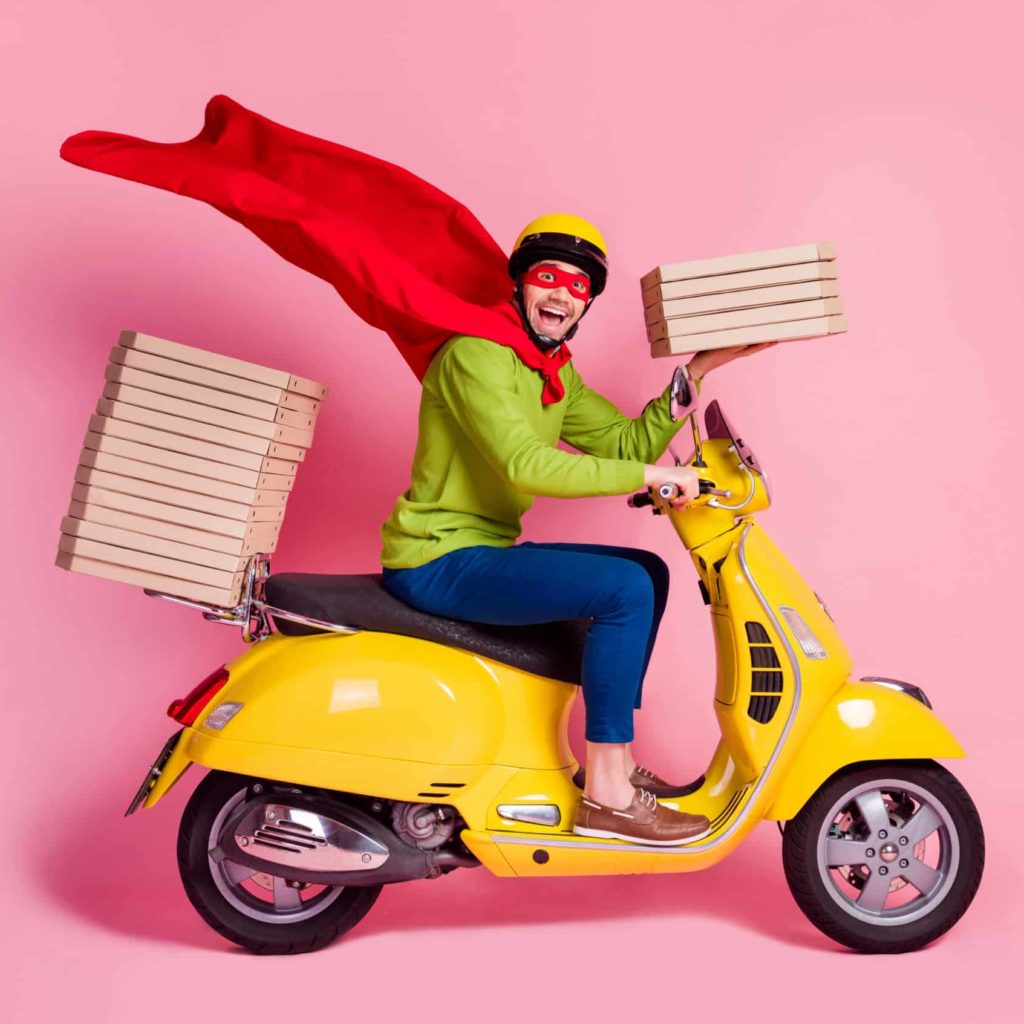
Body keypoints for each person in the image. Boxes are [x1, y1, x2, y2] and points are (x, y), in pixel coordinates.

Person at [380, 214, 773, 845]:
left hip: (480, 552)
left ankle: (611, 762)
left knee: (646, 571)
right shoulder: (475, 354)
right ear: (521, 285)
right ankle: (609, 795)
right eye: (549, 278)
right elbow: (523, 463)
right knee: (622, 589)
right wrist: (654, 476)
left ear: (586, 301)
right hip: (437, 559)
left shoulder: (552, 371)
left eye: (580, 286)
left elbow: (622, 438)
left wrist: (696, 372)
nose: (563, 294)